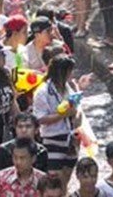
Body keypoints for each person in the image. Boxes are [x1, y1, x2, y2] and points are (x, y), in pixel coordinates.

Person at [33, 54, 82, 188]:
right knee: (55, 181)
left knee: (66, 178)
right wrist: (63, 114)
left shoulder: (67, 87)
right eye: (69, 71)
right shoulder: (43, 92)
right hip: (52, 139)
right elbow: (40, 118)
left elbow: (74, 109)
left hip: (70, 139)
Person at [0, 112, 48, 190]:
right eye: (20, 127)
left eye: (28, 126)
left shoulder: (41, 152)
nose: (24, 130)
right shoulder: (4, 150)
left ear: (36, 130)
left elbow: (44, 182)